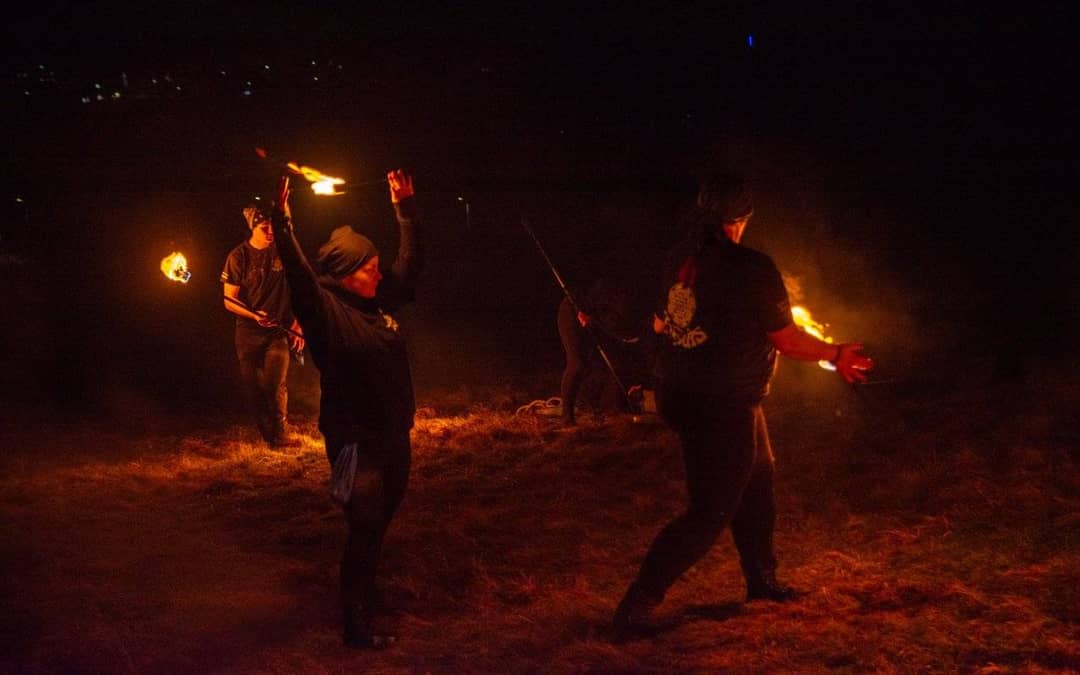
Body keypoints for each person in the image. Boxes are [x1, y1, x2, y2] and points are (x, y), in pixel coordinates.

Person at [613, 172, 873, 639]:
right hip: (721, 401)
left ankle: (762, 581)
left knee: (757, 480)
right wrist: (836, 354)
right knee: (708, 512)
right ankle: (636, 606)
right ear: (742, 219)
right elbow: (787, 340)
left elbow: (661, 323)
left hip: (683, 392)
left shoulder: (679, 257)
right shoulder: (751, 267)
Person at [270, 169, 422, 649]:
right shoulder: (327, 314)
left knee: (379, 524)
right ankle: (356, 624)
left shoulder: (379, 299)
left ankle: (367, 595)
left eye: (378, 265)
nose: (380, 274)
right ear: (344, 275)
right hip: (357, 440)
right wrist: (282, 223)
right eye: (369, 268)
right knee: (364, 526)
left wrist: (404, 209)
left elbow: (410, 265)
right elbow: (299, 277)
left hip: (394, 434)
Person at [221, 204, 306, 448]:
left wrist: (298, 324)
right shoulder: (238, 257)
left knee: (275, 384)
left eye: (272, 227)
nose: (270, 232)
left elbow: (302, 289)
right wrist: (253, 315)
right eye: (264, 227)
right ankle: (267, 434)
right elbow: (228, 300)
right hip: (248, 333)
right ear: (252, 227)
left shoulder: (284, 252)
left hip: (278, 331)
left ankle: (280, 434)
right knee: (254, 389)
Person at [556, 278, 646, 426]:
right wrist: (591, 320)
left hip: (597, 318)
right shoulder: (615, 300)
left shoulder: (631, 321)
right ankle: (566, 417)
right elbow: (604, 312)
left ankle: (606, 409)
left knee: (603, 365)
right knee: (577, 364)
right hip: (574, 309)